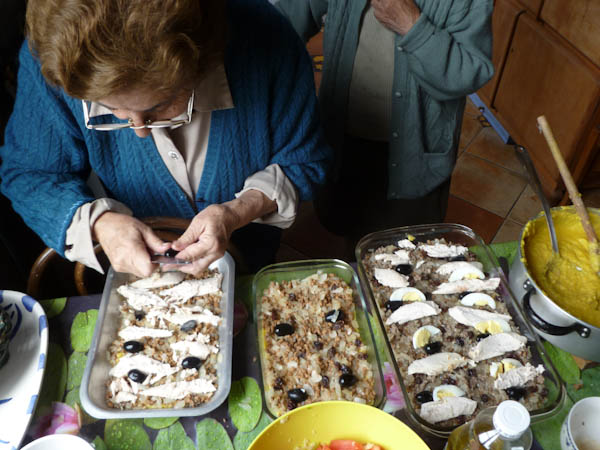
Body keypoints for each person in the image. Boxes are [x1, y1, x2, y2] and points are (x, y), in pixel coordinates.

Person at [0, 0, 331, 278]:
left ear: (202, 62)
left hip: (250, 268)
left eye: (158, 106)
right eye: (112, 110)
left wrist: (235, 213)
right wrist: (100, 223)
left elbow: (303, 162)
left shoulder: (266, 38)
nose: (140, 131)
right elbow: (30, 175)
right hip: (141, 284)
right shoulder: (52, 60)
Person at [275, 0, 494, 256]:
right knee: (352, 236)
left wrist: (412, 25)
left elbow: (468, 73)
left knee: (407, 253)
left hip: (416, 154)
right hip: (344, 140)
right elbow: (281, 20)